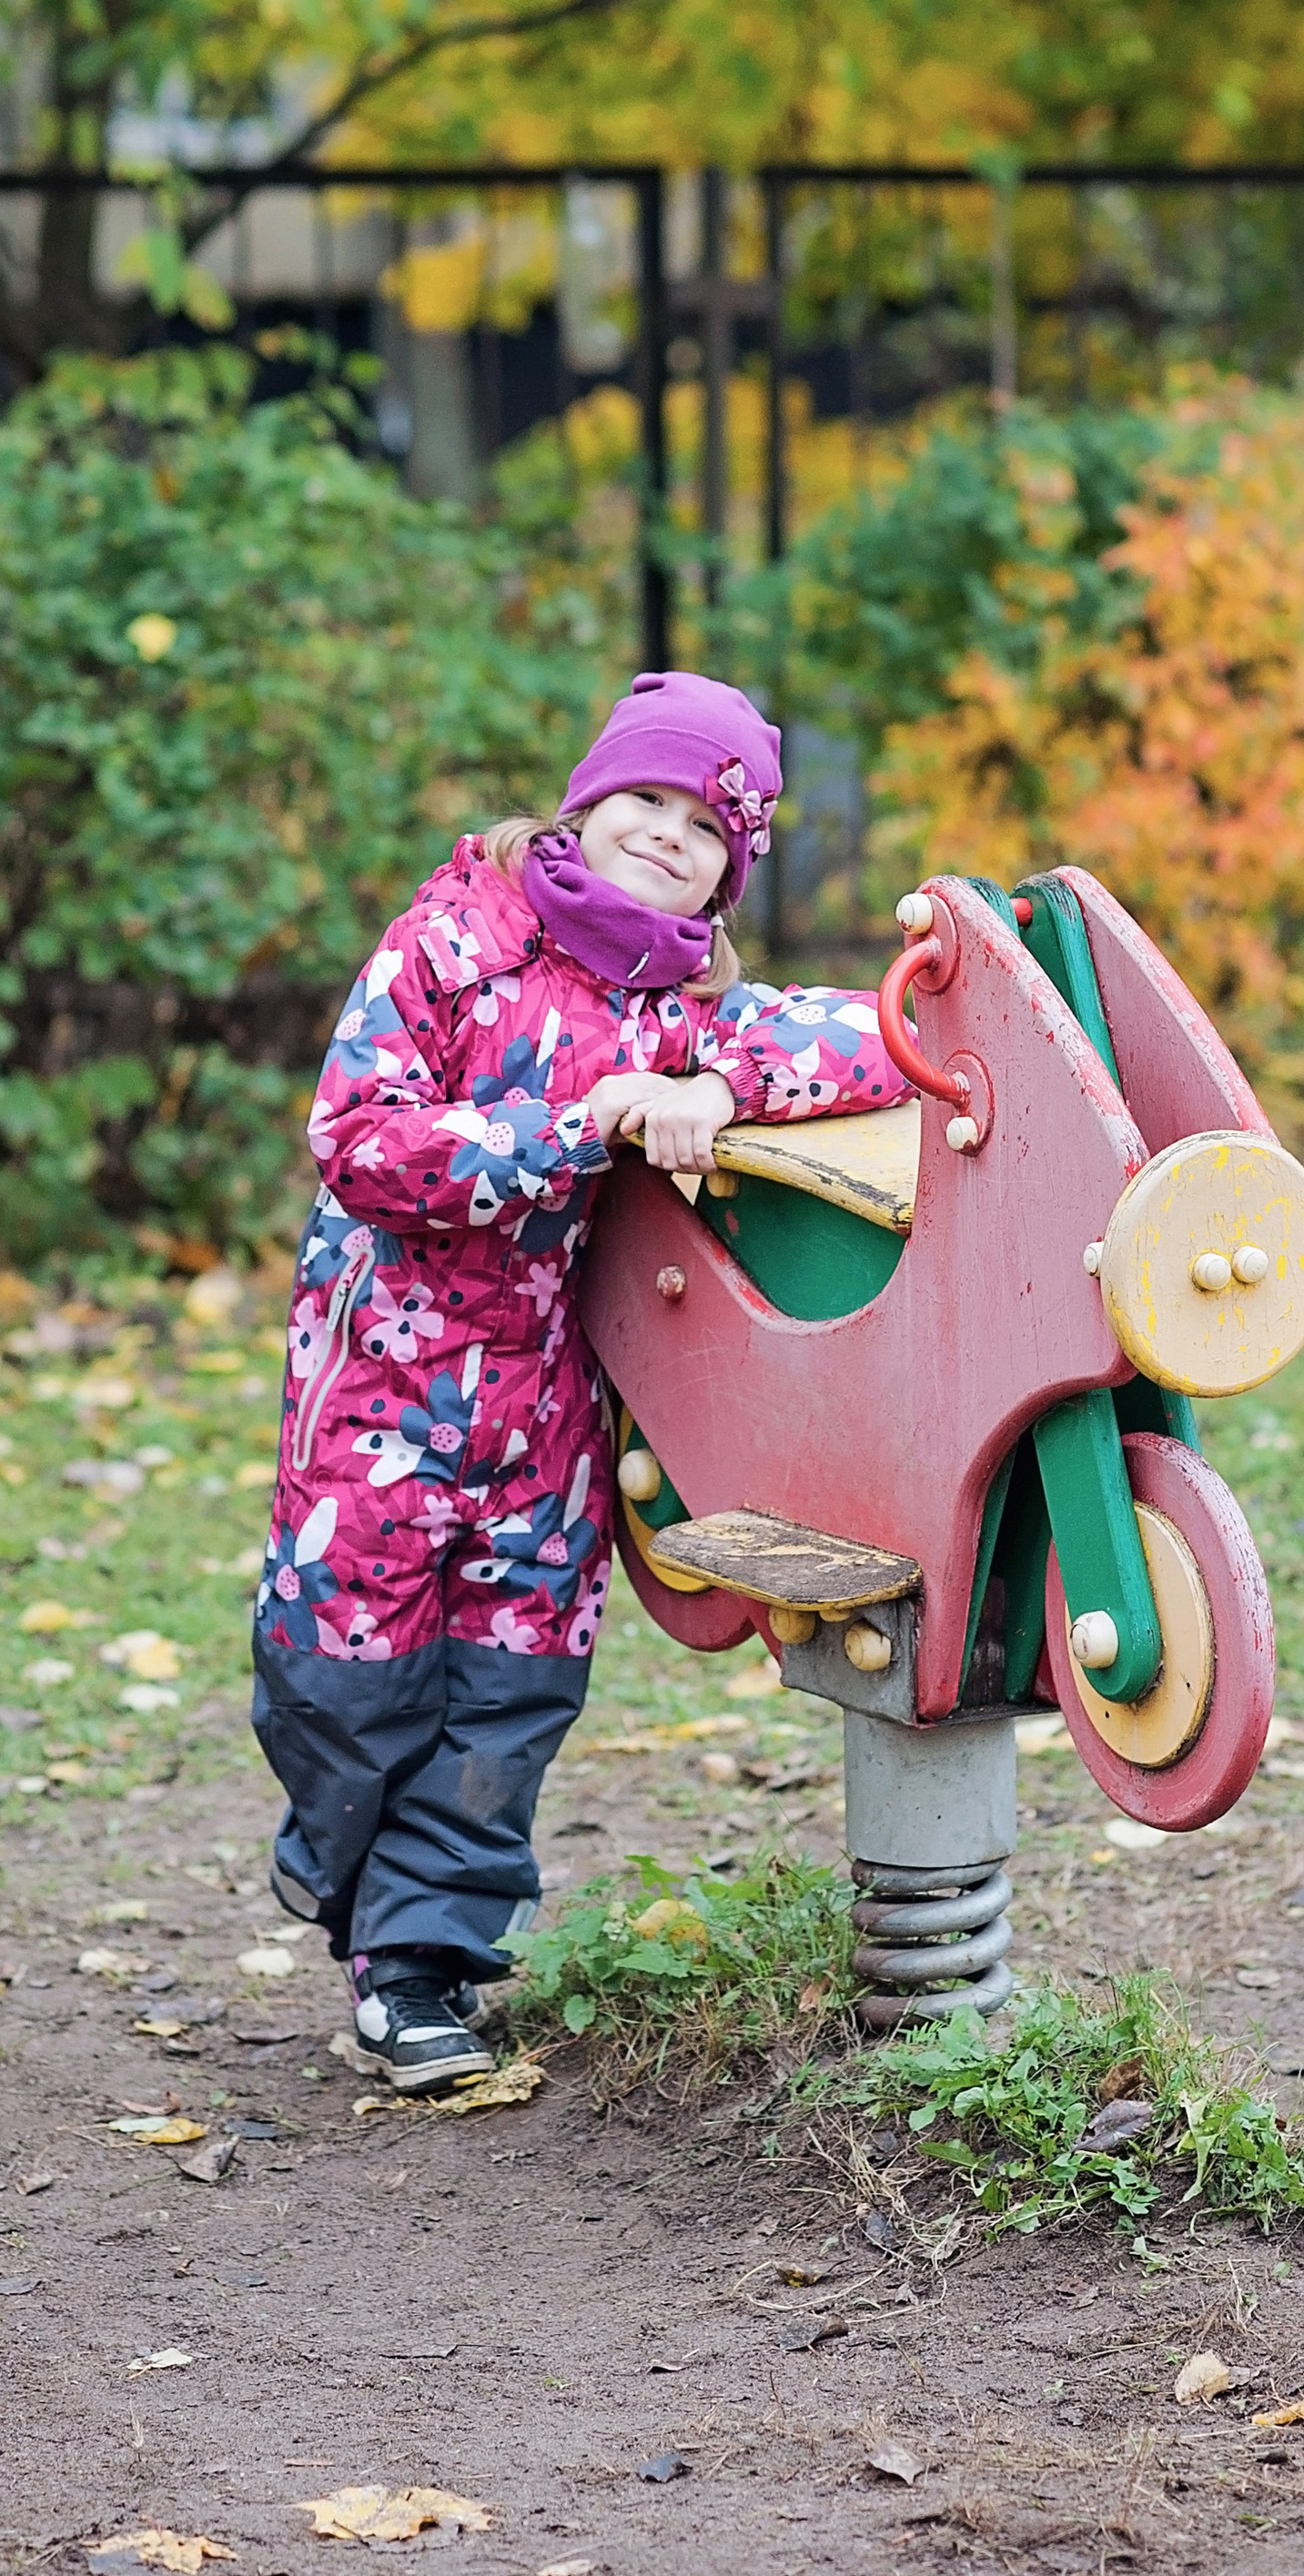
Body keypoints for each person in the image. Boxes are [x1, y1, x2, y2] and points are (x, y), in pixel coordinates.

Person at [249, 671, 900, 2090]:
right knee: (337, 1678)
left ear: (734, 866)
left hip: (545, 1395)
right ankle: (344, 1864)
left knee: (511, 1684)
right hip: (381, 1385)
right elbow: (361, 1137)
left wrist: (718, 1093)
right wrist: (565, 1130)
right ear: (588, 797)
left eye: (707, 825)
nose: (669, 835)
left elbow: (867, 1037)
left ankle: (420, 1966)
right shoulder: (450, 944)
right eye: (648, 800)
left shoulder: (680, 1005)